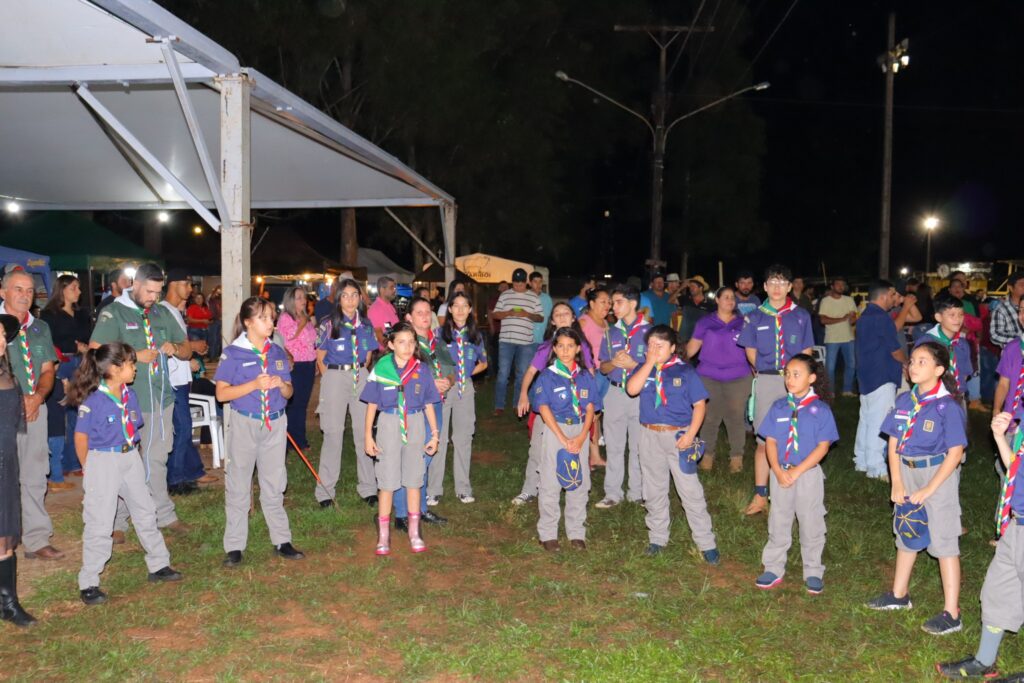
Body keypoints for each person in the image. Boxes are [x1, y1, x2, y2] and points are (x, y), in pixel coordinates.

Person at [69, 343, 183, 605]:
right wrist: (90, 468)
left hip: (130, 456)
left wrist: (134, 458)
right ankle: (89, 581)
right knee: (100, 520)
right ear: (114, 368)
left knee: (145, 510)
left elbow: (134, 428)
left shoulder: (130, 395)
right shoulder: (94, 400)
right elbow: (81, 437)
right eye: (131, 364)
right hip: (103, 459)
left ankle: (158, 564)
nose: (135, 369)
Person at [866, 341, 967, 636]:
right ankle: (899, 595)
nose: (913, 366)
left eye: (922, 362)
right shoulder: (904, 400)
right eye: (912, 361)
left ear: (939, 370)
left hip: (938, 473)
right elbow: (894, 442)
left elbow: (956, 452)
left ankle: (952, 612)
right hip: (906, 471)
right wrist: (896, 481)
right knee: (906, 528)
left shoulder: (947, 406)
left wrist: (930, 489)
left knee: (944, 539)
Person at [90, 263, 193, 538]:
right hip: (126, 402)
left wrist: (177, 350)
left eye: (157, 292)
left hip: (161, 398)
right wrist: (134, 355)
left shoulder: (161, 313)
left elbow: (187, 348)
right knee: (123, 462)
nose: (152, 297)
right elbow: (95, 353)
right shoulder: (114, 313)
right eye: (148, 291)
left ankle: (162, 514)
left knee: (156, 458)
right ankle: (117, 522)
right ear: (134, 284)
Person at [214, 297, 304, 568]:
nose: (271, 322)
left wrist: (282, 385)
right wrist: (253, 385)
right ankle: (234, 546)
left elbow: (289, 392)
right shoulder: (233, 353)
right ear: (247, 322)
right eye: (264, 318)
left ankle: (281, 540)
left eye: (272, 317)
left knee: (275, 482)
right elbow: (221, 394)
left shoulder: (276, 352)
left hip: (275, 423)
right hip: (245, 423)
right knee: (239, 483)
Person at [935, 409, 1024, 680]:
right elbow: (1016, 467)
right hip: (1017, 523)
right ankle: (984, 660)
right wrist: (1000, 437)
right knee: (998, 591)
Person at [626, 325, 719, 563]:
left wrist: (691, 434)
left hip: (678, 436)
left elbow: (700, 405)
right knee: (653, 489)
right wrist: (648, 363)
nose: (654, 350)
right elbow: (631, 389)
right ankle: (657, 537)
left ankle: (706, 542)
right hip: (649, 435)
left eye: (660, 346)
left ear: (673, 348)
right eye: (650, 346)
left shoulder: (685, 372)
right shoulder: (642, 369)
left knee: (690, 490)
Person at [753, 354, 838, 593]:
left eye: (796, 374)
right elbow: (769, 441)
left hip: (807, 475)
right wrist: (777, 471)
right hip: (780, 473)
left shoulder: (820, 410)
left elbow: (823, 446)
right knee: (778, 519)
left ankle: (812, 570)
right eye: (787, 374)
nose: (790, 379)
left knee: (811, 522)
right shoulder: (779, 406)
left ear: (811, 378)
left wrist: (799, 471)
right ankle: (773, 566)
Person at [738, 264, 814, 515]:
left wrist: (799, 380)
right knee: (764, 439)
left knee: (796, 435)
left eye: (782, 282)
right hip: (769, 380)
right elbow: (750, 350)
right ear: (765, 286)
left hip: (795, 381)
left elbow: (806, 351)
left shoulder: (801, 315)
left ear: (790, 287)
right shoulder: (754, 316)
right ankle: (761, 495)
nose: (777, 287)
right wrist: (762, 370)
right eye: (772, 282)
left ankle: (795, 488)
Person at [361, 322, 441, 555]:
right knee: (387, 480)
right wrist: (368, 435)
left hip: (415, 424)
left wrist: (434, 434)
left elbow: (428, 403)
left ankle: (414, 532)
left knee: (414, 479)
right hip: (389, 423)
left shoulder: (422, 369)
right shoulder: (382, 368)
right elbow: (372, 405)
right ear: (390, 344)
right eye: (401, 342)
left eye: (411, 342)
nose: (407, 347)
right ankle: (383, 535)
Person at [0, 270, 62, 560]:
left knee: (35, 473)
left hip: (35, 410)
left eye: (29, 290)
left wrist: (37, 397)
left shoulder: (40, 328)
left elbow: (48, 369)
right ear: (3, 292)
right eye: (18, 289)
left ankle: (36, 539)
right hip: (3, 410)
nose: (25, 295)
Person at [513, 302, 594, 505]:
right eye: (557, 314)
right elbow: (531, 371)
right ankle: (531, 489)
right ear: (552, 321)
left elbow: (590, 374)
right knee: (538, 448)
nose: (562, 317)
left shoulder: (581, 345)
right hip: (547, 409)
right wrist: (523, 394)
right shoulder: (547, 346)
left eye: (566, 313)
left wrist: (589, 403)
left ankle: (572, 488)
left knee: (574, 448)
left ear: (573, 317)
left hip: (574, 411)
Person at [533, 327, 599, 552]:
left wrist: (582, 437)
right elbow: (543, 407)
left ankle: (576, 531)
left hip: (579, 428)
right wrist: (561, 437)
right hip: (555, 429)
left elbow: (590, 408)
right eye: (560, 346)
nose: (565, 350)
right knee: (551, 480)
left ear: (578, 348)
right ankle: (548, 533)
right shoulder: (548, 376)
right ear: (554, 348)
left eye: (570, 346)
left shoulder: (584, 376)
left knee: (578, 481)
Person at [314, 279, 379, 507]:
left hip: (360, 375)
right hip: (334, 376)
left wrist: (360, 371)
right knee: (333, 434)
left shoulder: (367, 325)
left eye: (354, 295)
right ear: (338, 298)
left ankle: (368, 488)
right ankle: (325, 491)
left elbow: (369, 354)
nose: (350, 299)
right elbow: (320, 356)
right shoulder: (329, 323)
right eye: (345, 295)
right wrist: (329, 380)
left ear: (360, 298)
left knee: (364, 433)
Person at [395, 298, 451, 524]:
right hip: (413, 407)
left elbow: (451, 370)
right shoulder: (406, 342)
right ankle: (401, 512)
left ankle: (420, 507)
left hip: (435, 404)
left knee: (427, 453)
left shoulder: (436, 341)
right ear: (408, 317)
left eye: (428, 312)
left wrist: (447, 380)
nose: (425, 316)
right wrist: (431, 384)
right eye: (419, 312)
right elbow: (401, 376)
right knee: (411, 457)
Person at [685, 286, 752, 473]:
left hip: (739, 377)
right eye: (726, 297)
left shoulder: (743, 323)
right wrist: (677, 362)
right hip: (708, 376)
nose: (730, 301)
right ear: (717, 299)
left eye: (733, 298)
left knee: (735, 418)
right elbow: (692, 347)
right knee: (709, 418)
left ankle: (736, 458)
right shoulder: (705, 322)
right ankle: (707, 456)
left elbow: (751, 348)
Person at [431, 292, 487, 504]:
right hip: (444, 389)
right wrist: (442, 379)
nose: (461, 310)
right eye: (457, 306)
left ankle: (463, 487)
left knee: (463, 438)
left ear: (470, 309)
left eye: (465, 306)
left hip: (466, 388)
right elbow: (430, 360)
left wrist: (464, 375)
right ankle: (434, 488)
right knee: (440, 436)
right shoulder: (439, 334)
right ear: (450, 309)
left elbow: (484, 363)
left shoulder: (475, 335)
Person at [596, 284, 649, 508]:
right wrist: (613, 363)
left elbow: (657, 368)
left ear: (633, 304)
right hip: (615, 392)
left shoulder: (650, 333)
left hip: (640, 395)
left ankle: (636, 492)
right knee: (614, 445)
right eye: (612, 302)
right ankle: (612, 493)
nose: (612, 307)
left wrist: (634, 365)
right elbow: (603, 367)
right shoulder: (610, 332)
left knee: (638, 446)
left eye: (618, 302)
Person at [160, 269, 212, 496]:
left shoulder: (175, 312)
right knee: (181, 428)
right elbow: (168, 345)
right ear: (173, 285)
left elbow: (178, 346)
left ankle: (189, 472)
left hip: (180, 377)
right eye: (187, 284)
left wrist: (189, 358)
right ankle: (175, 479)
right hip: (171, 380)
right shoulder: (164, 312)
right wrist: (194, 348)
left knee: (184, 427)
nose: (191, 289)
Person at [0, 313, 36, 626]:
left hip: (5, 464)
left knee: (4, 535)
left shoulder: (8, 376)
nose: (1, 342)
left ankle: (8, 604)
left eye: (2, 336)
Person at [40, 273, 92, 484]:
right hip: (60, 364)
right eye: (74, 287)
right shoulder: (48, 315)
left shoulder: (82, 314)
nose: (78, 292)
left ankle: (75, 461)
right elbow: (48, 341)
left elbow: (89, 337)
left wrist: (84, 348)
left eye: (79, 288)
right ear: (62, 290)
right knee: (58, 415)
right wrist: (73, 347)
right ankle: (58, 468)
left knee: (79, 413)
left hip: (81, 364)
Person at [854, 281, 906, 481]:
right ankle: (876, 467)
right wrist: (908, 363)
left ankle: (862, 460)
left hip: (866, 375)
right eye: (893, 294)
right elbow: (895, 350)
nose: (896, 298)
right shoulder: (881, 318)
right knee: (879, 421)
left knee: (867, 419)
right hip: (882, 375)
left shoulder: (865, 316)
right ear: (884, 295)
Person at [491, 268, 543, 416]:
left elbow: (541, 317)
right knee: (503, 373)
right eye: (515, 283)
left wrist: (527, 314)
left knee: (522, 374)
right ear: (512, 282)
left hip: (526, 342)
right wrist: (508, 313)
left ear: (525, 282)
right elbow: (495, 314)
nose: (518, 287)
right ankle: (499, 405)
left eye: (521, 284)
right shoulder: (505, 295)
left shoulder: (533, 297)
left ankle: (517, 403)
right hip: (506, 341)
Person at [277, 286, 317, 454]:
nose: (303, 300)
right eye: (299, 297)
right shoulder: (286, 318)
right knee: (294, 403)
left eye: (304, 297)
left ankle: (298, 439)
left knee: (302, 404)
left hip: (308, 363)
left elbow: (312, 340)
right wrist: (304, 323)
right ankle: (292, 440)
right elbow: (288, 337)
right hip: (296, 365)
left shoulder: (305, 318)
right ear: (291, 300)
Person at [916, 297, 972, 398]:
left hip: (958, 395)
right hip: (933, 396)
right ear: (938, 317)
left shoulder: (962, 344)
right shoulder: (927, 342)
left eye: (961, 314)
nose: (957, 319)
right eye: (952, 315)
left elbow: (965, 373)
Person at [817, 276, 857, 397]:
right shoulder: (826, 301)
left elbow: (853, 318)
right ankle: (830, 391)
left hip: (849, 337)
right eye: (838, 284)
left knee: (852, 365)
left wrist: (852, 319)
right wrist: (842, 318)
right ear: (832, 286)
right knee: (830, 367)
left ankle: (847, 390)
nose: (841, 286)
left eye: (842, 284)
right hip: (832, 339)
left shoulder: (849, 300)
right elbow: (823, 320)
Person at [994, 299, 1024, 420]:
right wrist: (996, 409)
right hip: (1011, 417)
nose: (1023, 315)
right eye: (1021, 310)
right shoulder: (1012, 347)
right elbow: (1003, 383)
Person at [991, 272, 1024, 349]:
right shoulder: (1001, 309)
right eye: (1022, 285)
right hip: (1014, 356)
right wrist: (1020, 339)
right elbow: (995, 335)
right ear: (1011, 287)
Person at [677, 276, 714, 342]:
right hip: (683, 340)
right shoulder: (686, 299)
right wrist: (681, 288)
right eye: (690, 286)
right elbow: (670, 301)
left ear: (701, 288)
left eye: (693, 286)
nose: (691, 288)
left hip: (701, 341)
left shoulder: (710, 303)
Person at [367, 276, 400, 346]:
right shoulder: (375, 309)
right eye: (391, 287)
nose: (394, 290)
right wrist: (392, 350)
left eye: (394, 288)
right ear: (382, 289)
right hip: (386, 352)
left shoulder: (390, 306)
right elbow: (379, 336)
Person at [529, 271, 553, 347]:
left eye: (540, 282)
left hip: (543, 339)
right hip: (528, 340)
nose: (538, 284)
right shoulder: (524, 297)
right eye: (535, 282)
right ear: (530, 283)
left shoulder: (547, 299)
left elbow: (551, 317)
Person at [207, 285, 223, 359]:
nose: (219, 291)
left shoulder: (220, 299)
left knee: (218, 339)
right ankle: (212, 356)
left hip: (220, 320)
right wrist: (216, 289)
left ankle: (216, 356)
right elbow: (211, 297)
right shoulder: (211, 299)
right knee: (213, 339)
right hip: (213, 320)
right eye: (218, 290)